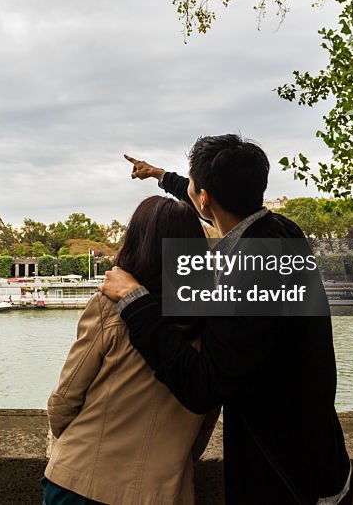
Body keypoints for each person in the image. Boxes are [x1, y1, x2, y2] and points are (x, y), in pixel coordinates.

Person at [101, 135, 352, 504]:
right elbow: (204, 199)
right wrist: (161, 176)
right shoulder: (284, 232)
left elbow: (202, 386)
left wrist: (134, 301)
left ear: (204, 197)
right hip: (324, 459)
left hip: (286, 482)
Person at [43, 196, 220, 505]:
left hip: (83, 481)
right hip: (164, 491)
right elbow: (205, 419)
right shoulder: (215, 322)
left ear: (136, 241)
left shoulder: (109, 306)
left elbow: (65, 399)